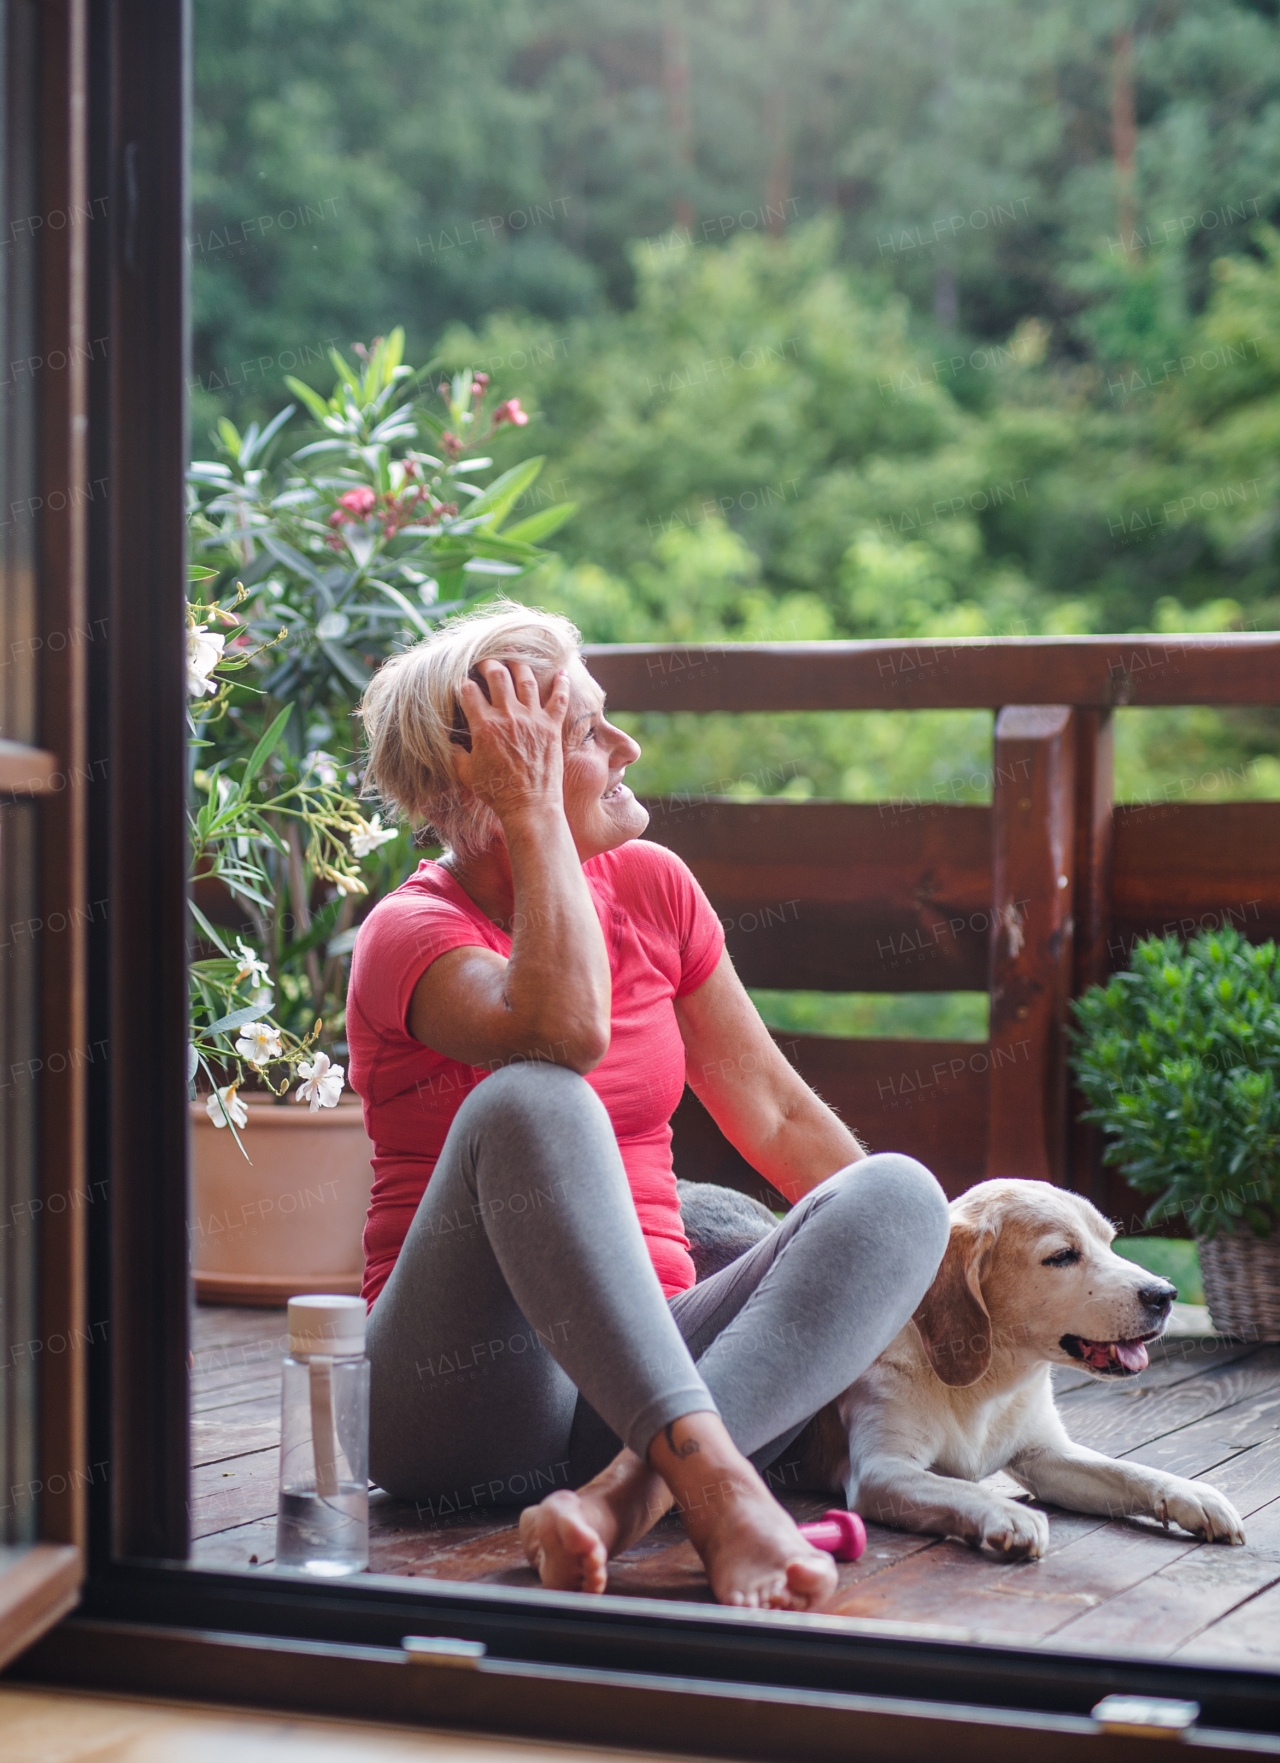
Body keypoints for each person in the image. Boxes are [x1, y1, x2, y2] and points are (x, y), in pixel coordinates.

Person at [347, 601, 950, 1609]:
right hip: (457, 1399)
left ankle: (628, 1495)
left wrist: (939, 1305)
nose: (626, 745)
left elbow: (776, 1114)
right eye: (582, 731)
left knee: (899, 1194)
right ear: (494, 776)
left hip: (634, 1381)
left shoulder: (654, 887)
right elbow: (563, 1032)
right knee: (535, 1098)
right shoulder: (409, 932)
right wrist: (535, 812)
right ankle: (714, 1488)